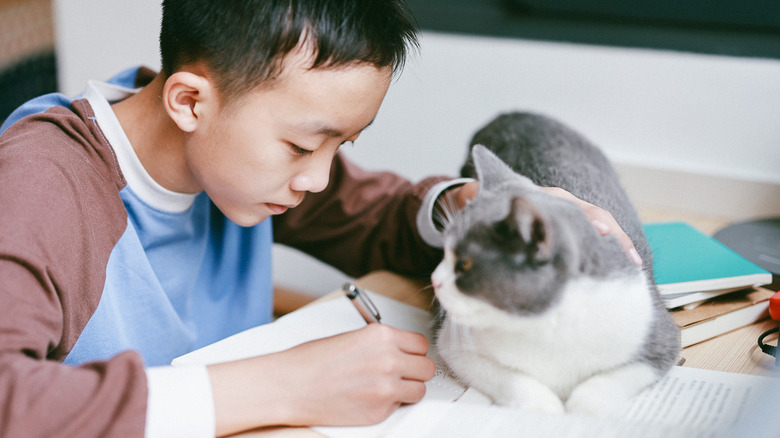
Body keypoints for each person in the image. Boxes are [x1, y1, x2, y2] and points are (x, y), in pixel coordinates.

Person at [0, 1, 639, 436]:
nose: (318, 178)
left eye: (343, 146)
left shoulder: (224, 156)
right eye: (304, 147)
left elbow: (382, 215)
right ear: (189, 100)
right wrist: (280, 384)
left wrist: (471, 208)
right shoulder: (42, 186)